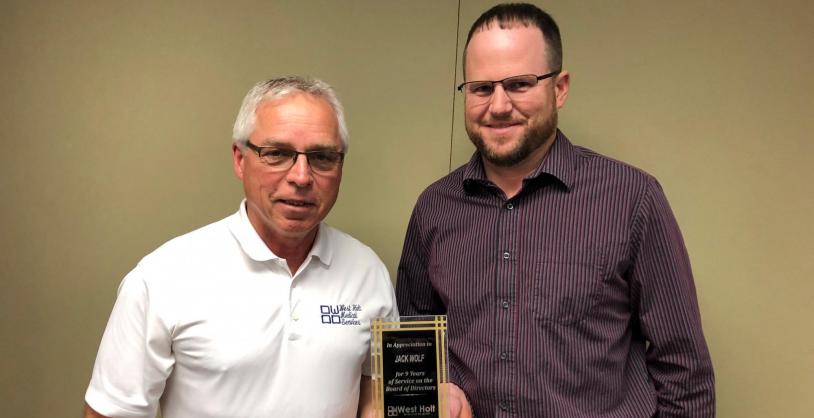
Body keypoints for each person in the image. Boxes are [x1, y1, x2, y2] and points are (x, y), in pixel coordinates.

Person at [396, 3, 715, 417]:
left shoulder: (631, 198)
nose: (498, 105)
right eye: (480, 88)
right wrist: (436, 391)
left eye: (519, 84)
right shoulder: (435, 209)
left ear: (559, 88)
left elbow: (684, 372)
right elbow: (412, 345)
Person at [83, 76, 398, 418]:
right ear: (239, 159)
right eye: (277, 154)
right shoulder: (163, 278)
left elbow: (377, 396)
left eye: (322, 157)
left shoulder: (368, 274)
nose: (302, 177)